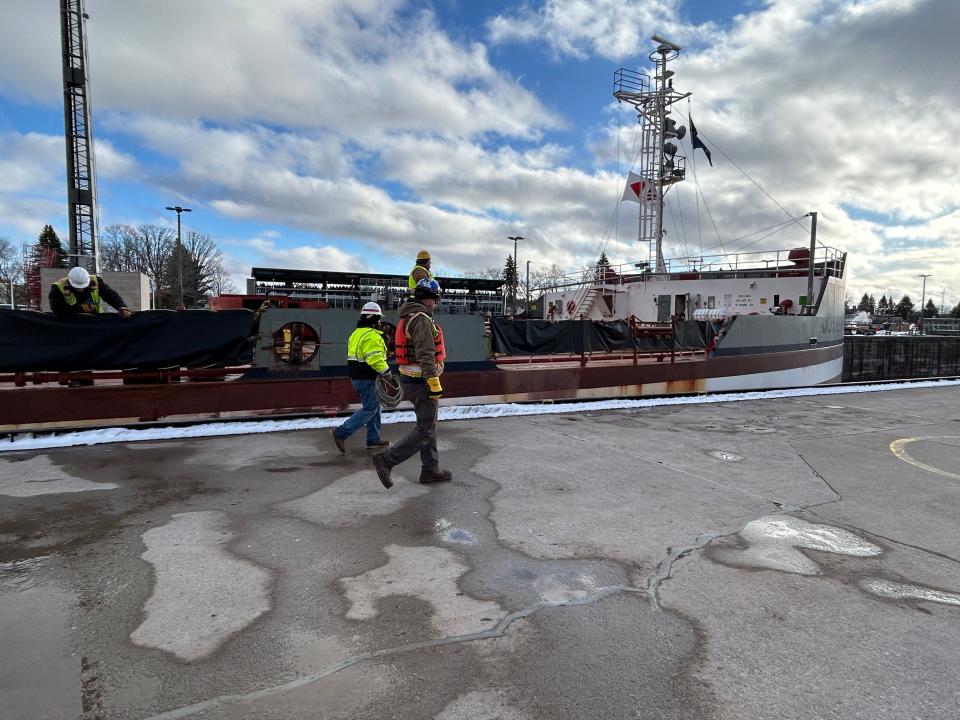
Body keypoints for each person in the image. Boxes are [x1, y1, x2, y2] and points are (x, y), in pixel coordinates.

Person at [372, 278, 451, 489]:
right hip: (422, 381)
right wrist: (433, 381)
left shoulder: (408, 316)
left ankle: (430, 470)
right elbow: (426, 354)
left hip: (412, 379)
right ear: (428, 299)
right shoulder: (421, 319)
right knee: (425, 429)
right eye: (435, 300)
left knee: (427, 425)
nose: (436, 304)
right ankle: (387, 460)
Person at [331, 302, 392, 452]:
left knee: (375, 407)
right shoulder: (371, 336)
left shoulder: (356, 333)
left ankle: (373, 439)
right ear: (373, 318)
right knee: (370, 408)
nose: (379, 322)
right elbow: (375, 359)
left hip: (357, 377)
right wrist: (387, 372)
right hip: (367, 378)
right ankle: (341, 432)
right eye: (378, 319)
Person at [49, 267, 133, 318]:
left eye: (83, 287)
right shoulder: (58, 288)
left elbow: (110, 295)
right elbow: (57, 309)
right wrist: (81, 308)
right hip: (72, 323)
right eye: (77, 288)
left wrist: (121, 306)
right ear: (70, 282)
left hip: (94, 319)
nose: (81, 290)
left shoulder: (95, 281)